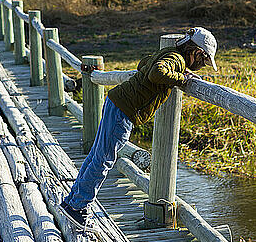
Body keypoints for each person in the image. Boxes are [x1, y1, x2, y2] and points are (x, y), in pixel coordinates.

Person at [60, 27, 218, 230]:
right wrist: (183, 78)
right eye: (203, 61)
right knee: (104, 160)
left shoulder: (169, 55)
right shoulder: (176, 59)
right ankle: (78, 208)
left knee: (96, 156)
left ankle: (72, 201)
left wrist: (178, 72)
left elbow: (144, 63)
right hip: (124, 110)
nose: (201, 66)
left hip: (116, 102)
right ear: (196, 52)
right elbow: (156, 72)